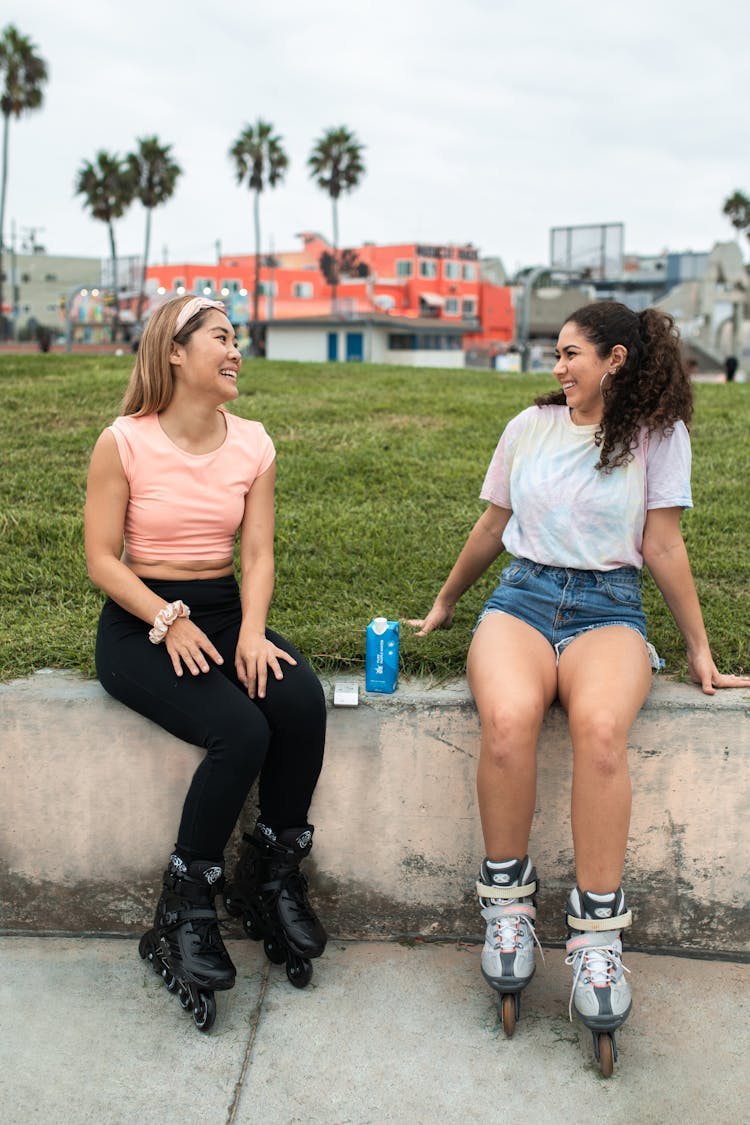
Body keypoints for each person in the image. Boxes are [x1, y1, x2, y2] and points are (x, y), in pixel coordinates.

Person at [410, 301, 750, 1072]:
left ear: (616, 359)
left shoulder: (658, 437)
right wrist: (446, 600)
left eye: (570, 354)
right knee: (509, 717)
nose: (557, 367)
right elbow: (493, 527)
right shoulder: (527, 428)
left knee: (599, 730)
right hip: (522, 600)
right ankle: (508, 909)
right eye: (555, 354)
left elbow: (663, 544)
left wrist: (699, 649)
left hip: (609, 607)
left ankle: (597, 938)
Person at [84, 295, 327, 1032]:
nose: (235, 351)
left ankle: (269, 872)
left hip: (222, 611)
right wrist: (163, 618)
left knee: (299, 699)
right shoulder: (123, 442)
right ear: (176, 352)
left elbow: (256, 552)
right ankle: (183, 905)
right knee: (241, 731)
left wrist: (251, 632)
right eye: (221, 337)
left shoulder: (253, 442)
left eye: (236, 339)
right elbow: (101, 559)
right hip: (138, 622)